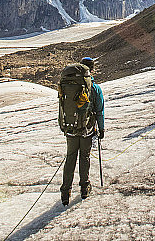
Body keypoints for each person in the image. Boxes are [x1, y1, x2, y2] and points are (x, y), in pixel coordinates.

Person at [60, 56, 104, 204]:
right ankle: (85, 188)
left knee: (70, 157)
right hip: (87, 128)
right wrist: (101, 128)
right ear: (92, 69)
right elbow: (99, 110)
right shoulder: (94, 88)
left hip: (70, 128)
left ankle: (65, 192)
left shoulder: (69, 84)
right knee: (84, 157)